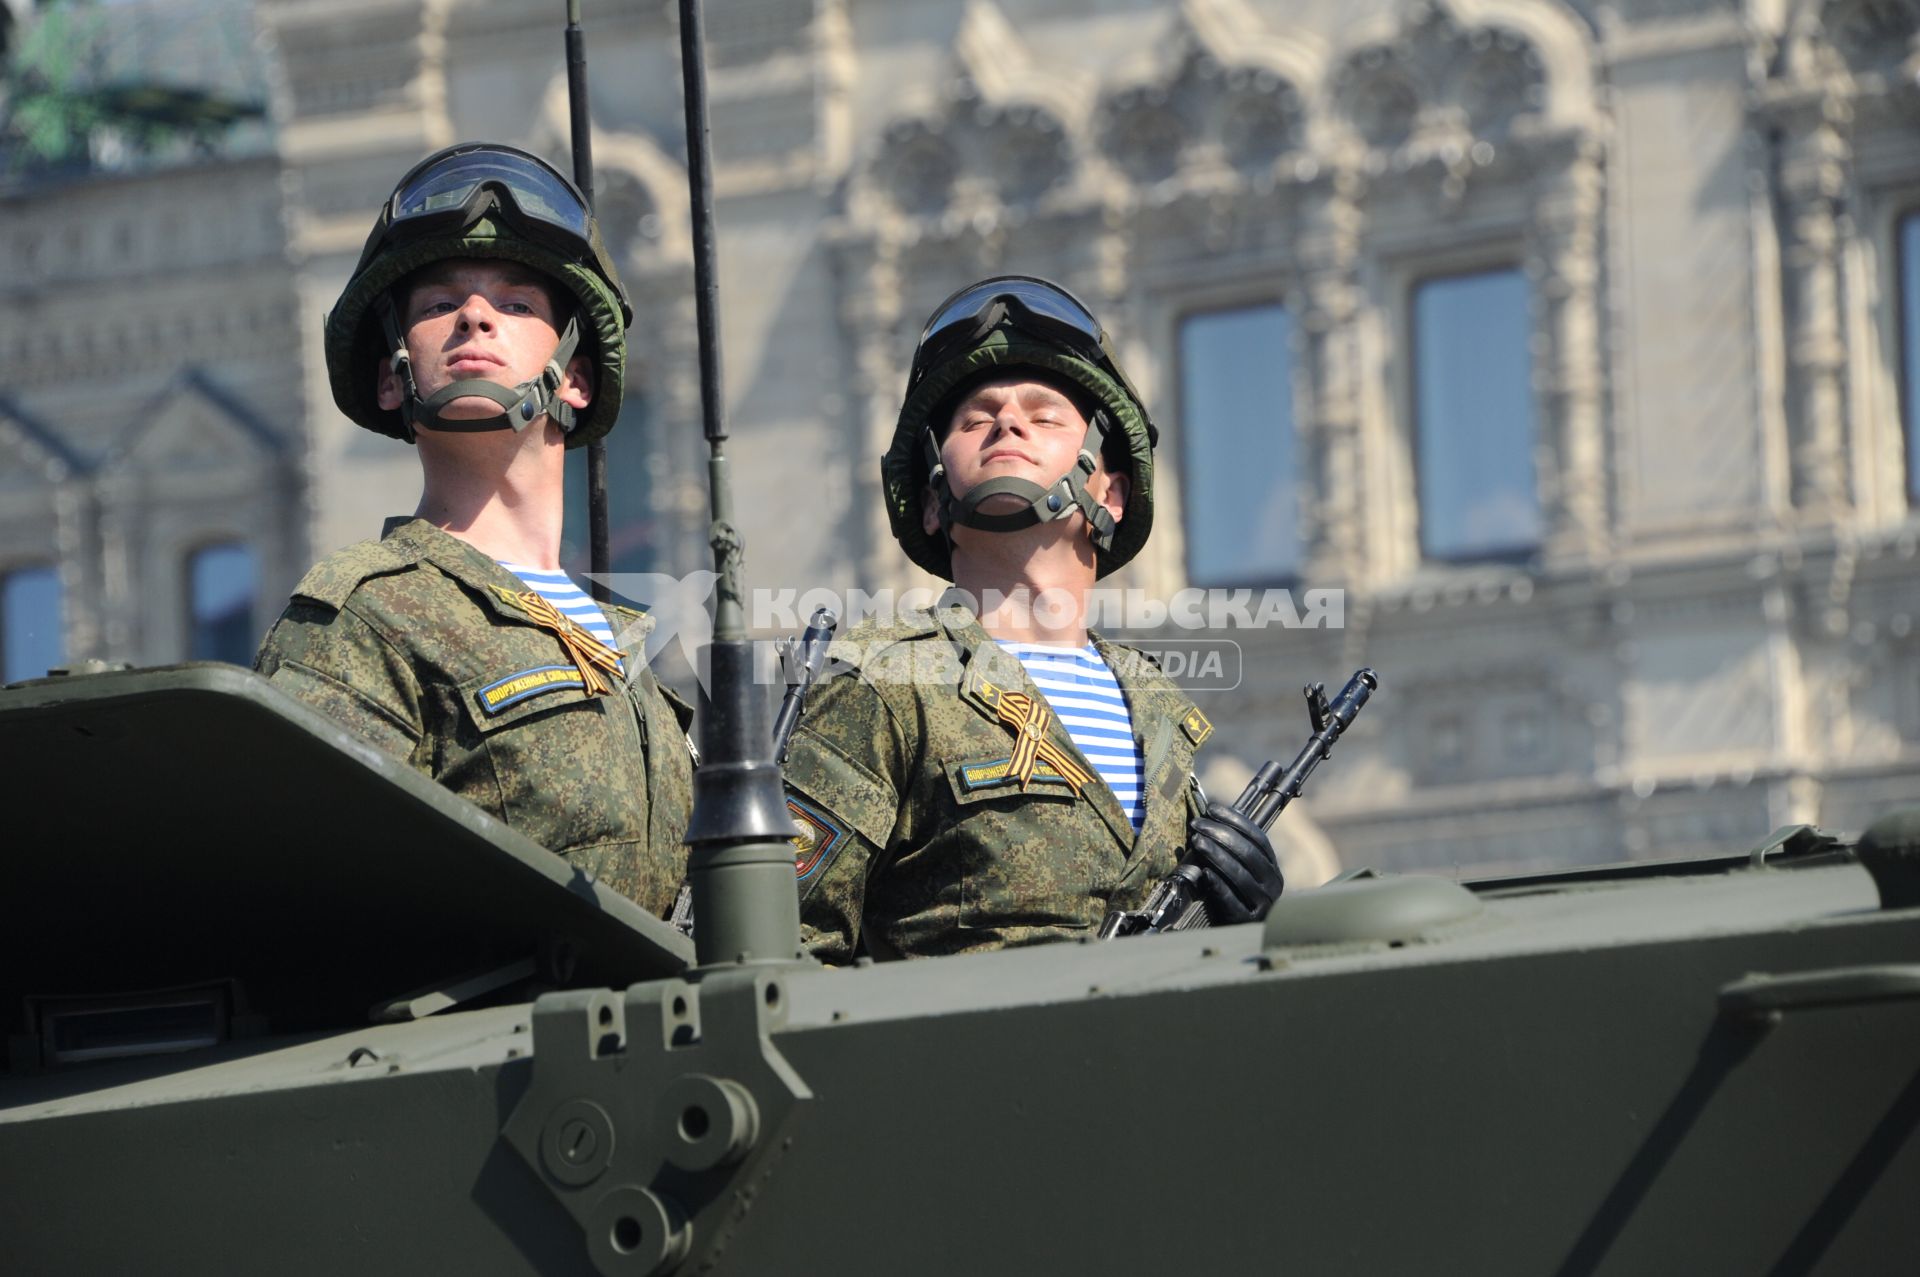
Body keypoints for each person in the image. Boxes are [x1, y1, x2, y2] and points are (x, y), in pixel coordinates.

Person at [782, 275, 1282, 962]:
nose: (1006, 421)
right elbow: (784, 952)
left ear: (1109, 493)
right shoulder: (880, 682)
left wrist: (1251, 924)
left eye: (1044, 416)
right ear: (933, 500)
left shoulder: (1159, 710)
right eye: (974, 418)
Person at [255, 143, 693, 916]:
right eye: (437, 304)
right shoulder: (360, 622)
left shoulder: (642, 658)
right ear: (394, 375)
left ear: (578, 377)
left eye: (518, 303)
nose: (476, 315)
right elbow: (309, 904)